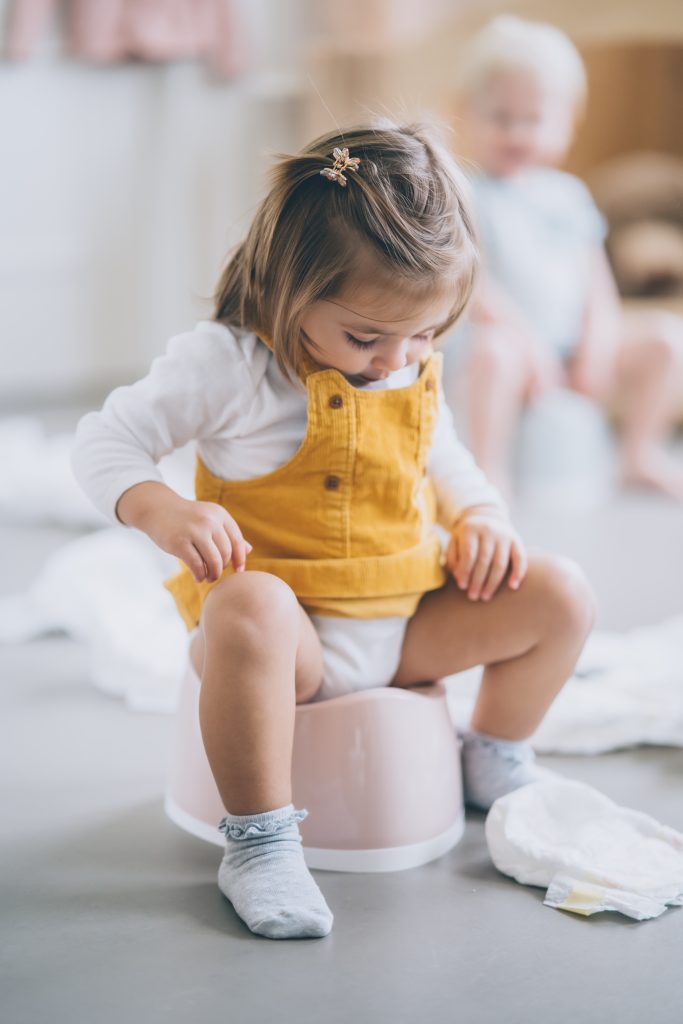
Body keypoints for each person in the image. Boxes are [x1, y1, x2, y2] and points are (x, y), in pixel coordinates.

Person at [71, 123, 596, 940]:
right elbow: (104, 441)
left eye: (425, 334)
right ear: (290, 287)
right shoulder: (229, 365)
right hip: (287, 642)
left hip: (404, 619)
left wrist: (481, 514)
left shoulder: (407, 359)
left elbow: (439, 448)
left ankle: (489, 753)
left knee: (561, 593)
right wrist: (164, 512)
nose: (396, 360)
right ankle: (259, 840)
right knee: (245, 605)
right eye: (365, 337)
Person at [447, 15, 683, 500]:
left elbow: (596, 282)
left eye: (532, 119)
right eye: (500, 117)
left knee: (667, 340)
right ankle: (490, 473)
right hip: (505, 342)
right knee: (494, 356)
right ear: (465, 114)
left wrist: (599, 341)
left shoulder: (569, 195)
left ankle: (640, 451)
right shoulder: (467, 192)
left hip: (575, 347)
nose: (517, 133)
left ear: (568, 124)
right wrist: (527, 344)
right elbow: (472, 284)